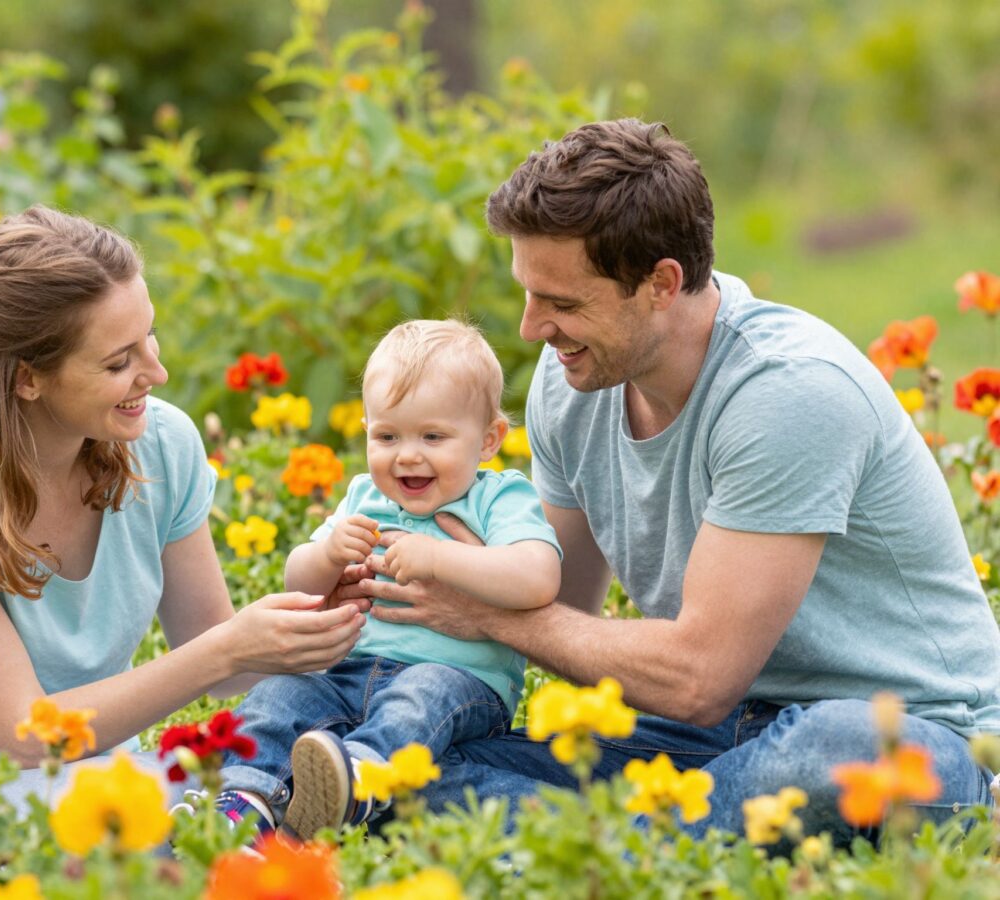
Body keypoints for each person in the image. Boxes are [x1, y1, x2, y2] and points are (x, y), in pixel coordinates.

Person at [342, 119, 1000, 845]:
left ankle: (589, 848)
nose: (532, 329)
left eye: (562, 303)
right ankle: (624, 843)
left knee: (829, 756)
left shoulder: (788, 392)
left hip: (910, 736)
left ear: (661, 283)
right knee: (412, 766)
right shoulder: (571, 387)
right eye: (528, 294)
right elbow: (556, 608)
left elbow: (697, 676)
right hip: (703, 739)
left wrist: (479, 613)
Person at [0, 206, 366, 823]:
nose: (157, 373)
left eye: (149, 337)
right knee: (210, 808)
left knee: (256, 787)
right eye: (118, 362)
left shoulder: (161, 445)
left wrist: (310, 620)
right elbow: (27, 735)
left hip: (90, 775)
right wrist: (228, 650)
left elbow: (220, 663)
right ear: (27, 379)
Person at [217, 319, 562, 840]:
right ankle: (240, 802)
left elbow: (537, 578)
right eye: (387, 435)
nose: (407, 454)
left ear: (489, 439)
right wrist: (328, 554)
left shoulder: (497, 498)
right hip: (348, 670)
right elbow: (300, 583)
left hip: (458, 680)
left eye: (433, 436)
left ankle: (360, 777)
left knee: (419, 696)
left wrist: (438, 559)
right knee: (282, 693)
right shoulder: (365, 498)